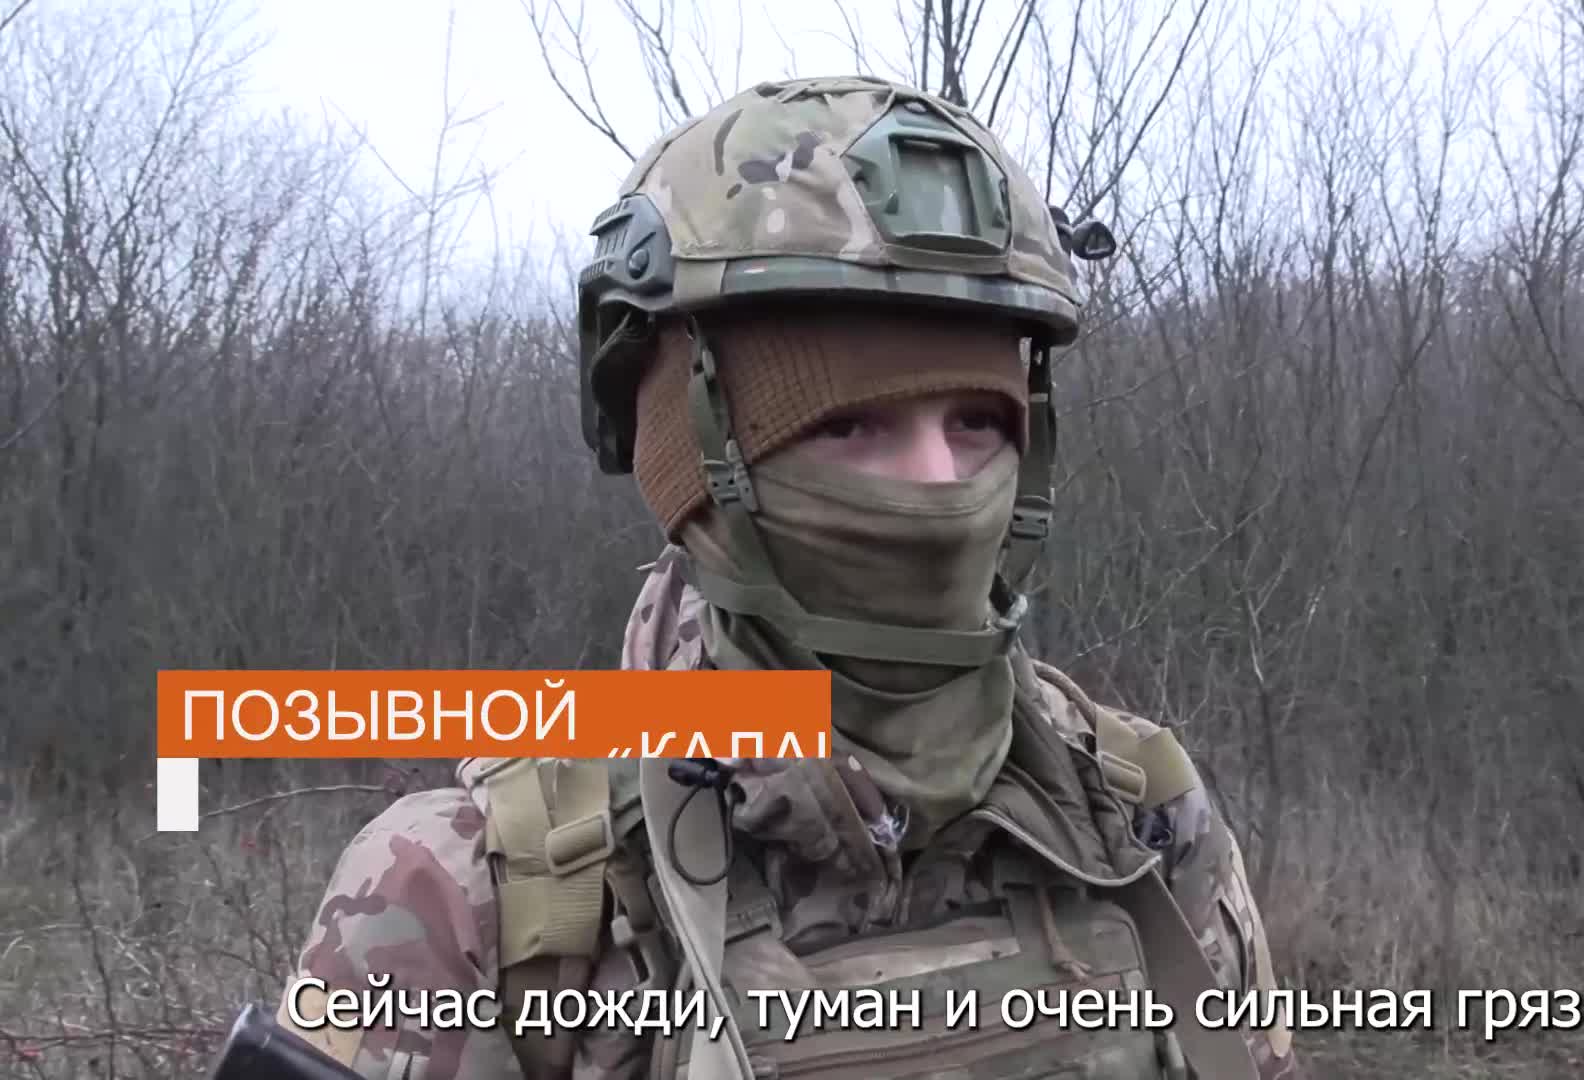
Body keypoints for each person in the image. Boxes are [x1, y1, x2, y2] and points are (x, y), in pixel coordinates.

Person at [275, 75, 1304, 1080]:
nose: (940, 483)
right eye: (852, 426)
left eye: (976, 422)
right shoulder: (482, 889)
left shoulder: (1134, 807)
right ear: (695, 469)